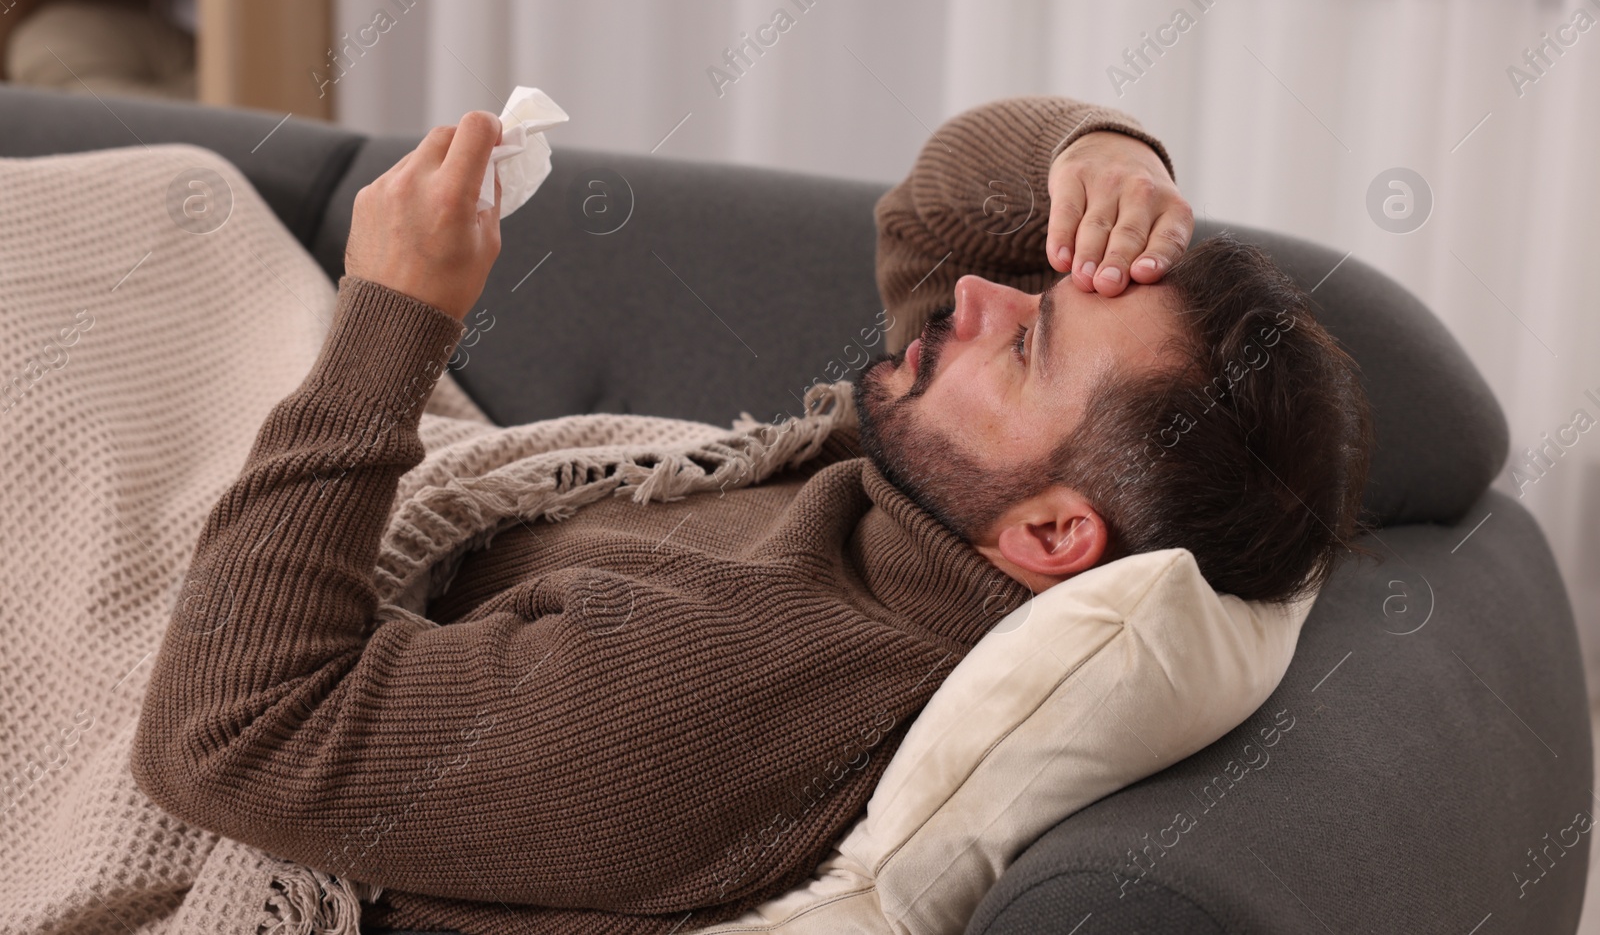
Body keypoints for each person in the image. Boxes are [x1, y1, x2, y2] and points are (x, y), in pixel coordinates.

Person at [130, 96, 1371, 935]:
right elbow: (941, 208)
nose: (980, 289)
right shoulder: (935, 521)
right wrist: (1110, 159)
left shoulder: (730, 682)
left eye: (1030, 337)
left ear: (1053, 536)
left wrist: (391, 317)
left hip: (173, 645)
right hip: (313, 524)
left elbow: (236, 732)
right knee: (171, 192)